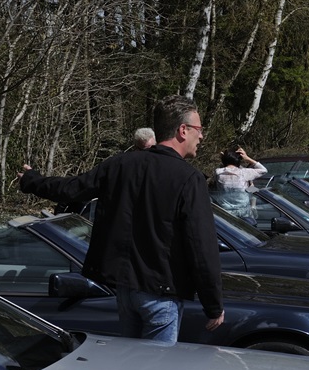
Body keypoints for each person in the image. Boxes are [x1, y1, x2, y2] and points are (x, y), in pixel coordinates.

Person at [19, 94, 224, 343]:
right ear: (183, 130)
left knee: (132, 362)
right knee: (156, 366)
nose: (202, 136)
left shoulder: (121, 164)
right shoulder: (189, 179)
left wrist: (32, 180)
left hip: (125, 291)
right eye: (199, 130)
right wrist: (213, 305)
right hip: (160, 296)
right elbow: (202, 246)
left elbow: (71, 188)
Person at [210, 147, 267, 220]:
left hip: (226, 213)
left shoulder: (218, 173)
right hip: (244, 214)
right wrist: (247, 158)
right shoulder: (244, 173)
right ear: (239, 160)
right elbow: (263, 170)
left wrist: (225, 158)